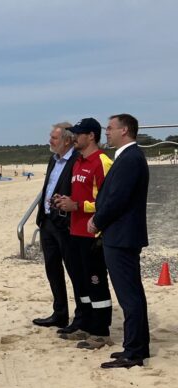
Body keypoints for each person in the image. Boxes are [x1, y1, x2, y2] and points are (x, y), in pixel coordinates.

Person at [88, 114, 150, 369]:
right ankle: (135, 345)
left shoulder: (130, 158)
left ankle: (134, 351)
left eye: (110, 128)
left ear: (124, 130)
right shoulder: (126, 157)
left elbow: (117, 199)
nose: (107, 132)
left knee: (129, 295)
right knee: (131, 293)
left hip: (122, 236)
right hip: (121, 235)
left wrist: (97, 221)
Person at [53, 118, 113, 350]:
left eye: (78, 134)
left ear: (91, 136)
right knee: (82, 284)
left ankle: (101, 332)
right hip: (74, 231)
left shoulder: (102, 162)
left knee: (96, 283)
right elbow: (77, 196)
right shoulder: (78, 161)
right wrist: (63, 202)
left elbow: (108, 203)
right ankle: (86, 325)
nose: (74, 137)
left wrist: (78, 206)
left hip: (93, 235)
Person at [33, 122, 85, 332]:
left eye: (54, 138)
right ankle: (60, 313)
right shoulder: (52, 160)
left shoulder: (76, 160)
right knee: (52, 269)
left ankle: (81, 315)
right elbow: (48, 187)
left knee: (75, 271)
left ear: (66, 140)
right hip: (47, 222)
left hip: (65, 224)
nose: (50, 141)